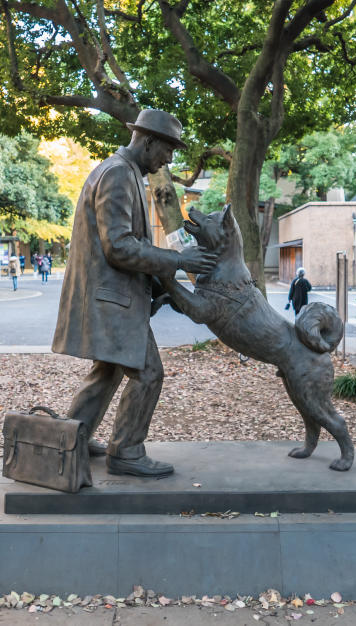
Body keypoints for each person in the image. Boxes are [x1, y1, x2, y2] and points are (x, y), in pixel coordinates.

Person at [52, 108, 217, 478]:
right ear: (147, 141)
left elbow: (129, 244)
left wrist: (160, 286)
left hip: (111, 296)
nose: (170, 158)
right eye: (168, 148)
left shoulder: (123, 173)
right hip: (111, 300)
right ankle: (126, 450)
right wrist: (176, 260)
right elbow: (120, 247)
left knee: (107, 371)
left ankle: (71, 439)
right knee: (147, 373)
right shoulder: (116, 175)